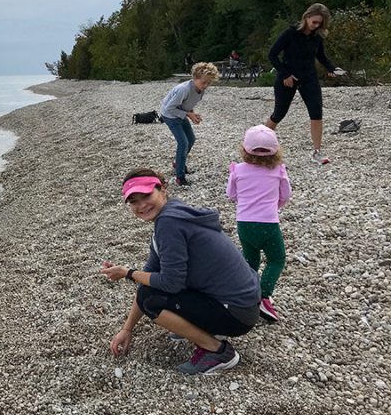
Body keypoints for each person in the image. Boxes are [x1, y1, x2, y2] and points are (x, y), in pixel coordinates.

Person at [102, 169, 261, 375]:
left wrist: (128, 272)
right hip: (244, 304)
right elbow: (148, 276)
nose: (142, 205)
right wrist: (127, 329)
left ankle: (218, 352)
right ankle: (197, 327)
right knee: (148, 292)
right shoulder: (173, 214)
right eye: (133, 201)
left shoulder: (169, 223)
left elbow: (170, 283)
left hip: (237, 313)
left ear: (163, 190)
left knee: (152, 300)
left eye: (147, 195)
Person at [227, 125, 292, 322]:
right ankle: (263, 296)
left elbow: (231, 195)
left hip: (244, 223)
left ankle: (245, 294)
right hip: (268, 224)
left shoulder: (237, 170)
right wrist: (275, 206)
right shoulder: (278, 170)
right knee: (276, 259)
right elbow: (285, 195)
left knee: (250, 259)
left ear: (245, 149)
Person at [266, 3, 344, 164]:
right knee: (279, 113)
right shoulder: (290, 33)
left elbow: (321, 56)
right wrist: (285, 74)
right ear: (307, 17)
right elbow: (272, 55)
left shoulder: (317, 37)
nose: (316, 26)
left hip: (309, 78)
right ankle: (259, 144)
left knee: (316, 112)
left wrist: (332, 68)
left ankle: (317, 152)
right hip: (287, 78)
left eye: (320, 24)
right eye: (314, 22)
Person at [159, 62, 220, 186]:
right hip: (170, 115)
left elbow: (187, 105)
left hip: (180, 112)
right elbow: (170, 108)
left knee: (191, 139)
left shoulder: (200, 90)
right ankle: (180, 177)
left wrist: (192, 113)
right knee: (183, 143)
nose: (206, 85)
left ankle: (178, 162)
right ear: (195, 78)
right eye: (204, 82)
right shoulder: (183, 89)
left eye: (209, 83)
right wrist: (189, 114)